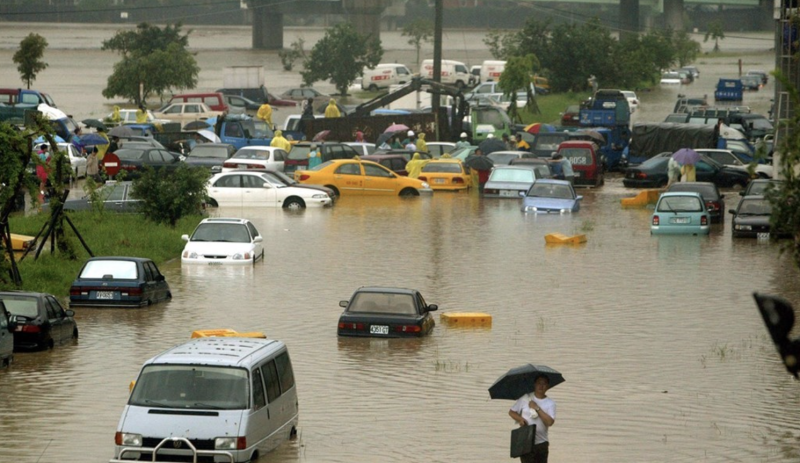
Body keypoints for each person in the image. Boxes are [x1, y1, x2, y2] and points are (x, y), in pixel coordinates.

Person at [508, 375, 556, 463]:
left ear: (548, 386)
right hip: (526, 441)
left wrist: (537, 408)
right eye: (539, 383)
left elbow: (550, 422)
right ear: (534, 384)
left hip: (542, 443)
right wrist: (520, 419)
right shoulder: (525, 398)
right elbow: (511, 412)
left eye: (544, 384)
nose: (541, 386)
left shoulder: (550, 403)